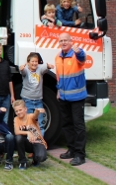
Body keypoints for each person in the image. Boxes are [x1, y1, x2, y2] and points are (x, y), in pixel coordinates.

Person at [55, 33, 87, 166]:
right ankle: (72, 150)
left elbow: (82, 58)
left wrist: (79, 52)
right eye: (61, 41)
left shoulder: (76, 54)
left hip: (77, 97)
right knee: (67, 125)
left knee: (78, 125)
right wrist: (58, 90)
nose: (63, 43)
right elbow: (59, 76)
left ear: (71, 41)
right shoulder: (58, 56)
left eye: (65, 40)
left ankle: (80, 155)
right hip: (64, 96)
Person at [19, 53, 53, 136]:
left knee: (40, 124)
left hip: (38, 101)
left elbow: (44, 67)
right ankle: (31, 142)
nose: (34, 63)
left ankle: (40, 142)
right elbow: (23, 72)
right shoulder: (26, 70)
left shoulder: (39, 69)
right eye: (32, 61)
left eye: (36, 61)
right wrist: (21, 69)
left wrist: (48, 66)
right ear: (28, 62)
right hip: (27, 100)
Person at [12, 100, 48, 169]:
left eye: (20, 110)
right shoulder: (16, 119)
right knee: (18, 138)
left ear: (25, 109)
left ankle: (35, 158)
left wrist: (37, 111)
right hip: (27, 142)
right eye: (16, 111)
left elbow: (35, 116)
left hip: (37, 142)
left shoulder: (30, 116)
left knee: (41, 157)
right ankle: (22, 162)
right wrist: (28, 132)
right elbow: (16, 131)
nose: (18, 112)